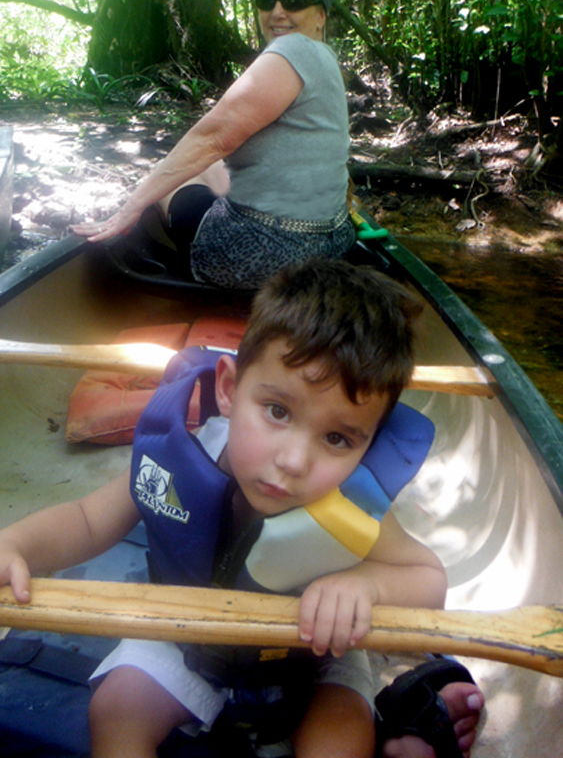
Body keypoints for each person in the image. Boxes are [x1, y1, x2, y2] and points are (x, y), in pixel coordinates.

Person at [0, 259, 483, 758]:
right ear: (229, 389)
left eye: (337, 438)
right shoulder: (184, 461)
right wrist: (15, 544)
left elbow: (429, 580)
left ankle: (386, 726)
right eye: (277, 411)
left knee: (340, 741)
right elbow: (85, 519)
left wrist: (368, 584)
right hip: (185, 636)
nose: (293, 461)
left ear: (368, 445)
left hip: (312, 659)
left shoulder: (351, 506)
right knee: (117, 711)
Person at [71, 0, 356, 289]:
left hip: (264, 257)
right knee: (210, 167)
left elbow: (212, 138)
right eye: (267, 1)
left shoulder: (293, 49)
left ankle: (193, 251)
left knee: (175, 179)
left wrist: (128, 209)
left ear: (320, 15)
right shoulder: (325, 57)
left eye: (294, 1)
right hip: (332, 240)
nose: (277, 12)